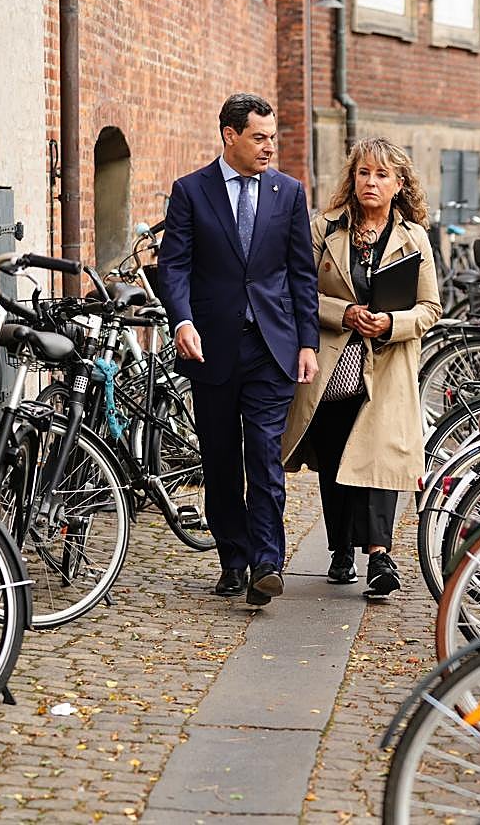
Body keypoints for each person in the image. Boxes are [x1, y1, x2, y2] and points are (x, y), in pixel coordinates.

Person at [156, 93, 319, 606]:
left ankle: (267, 561)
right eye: (259, 137)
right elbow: (174, 265)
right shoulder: (191, 191)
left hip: (272, 345)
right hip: (210, 349)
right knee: (221, 460)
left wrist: (308, 342)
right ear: (230, 135)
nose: (269, 146)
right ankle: (233, 557)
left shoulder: (288, 192)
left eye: (273, 137)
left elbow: (300, 275)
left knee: (265, 458)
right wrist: (181, 320)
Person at [281, 137, 441, 598]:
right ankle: (340, 551)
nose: (371, 182)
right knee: (335, 460)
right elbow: (298, 293)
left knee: (378, 460)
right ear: (353, 178)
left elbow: (430, 308)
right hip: (333, 364)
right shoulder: (323, 229)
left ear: (399, 184)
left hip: (386, 364)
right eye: (364, 173)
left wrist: (391, 322)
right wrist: (342, 313)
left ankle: (379, 556)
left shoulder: (415, 238)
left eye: (382, 175)